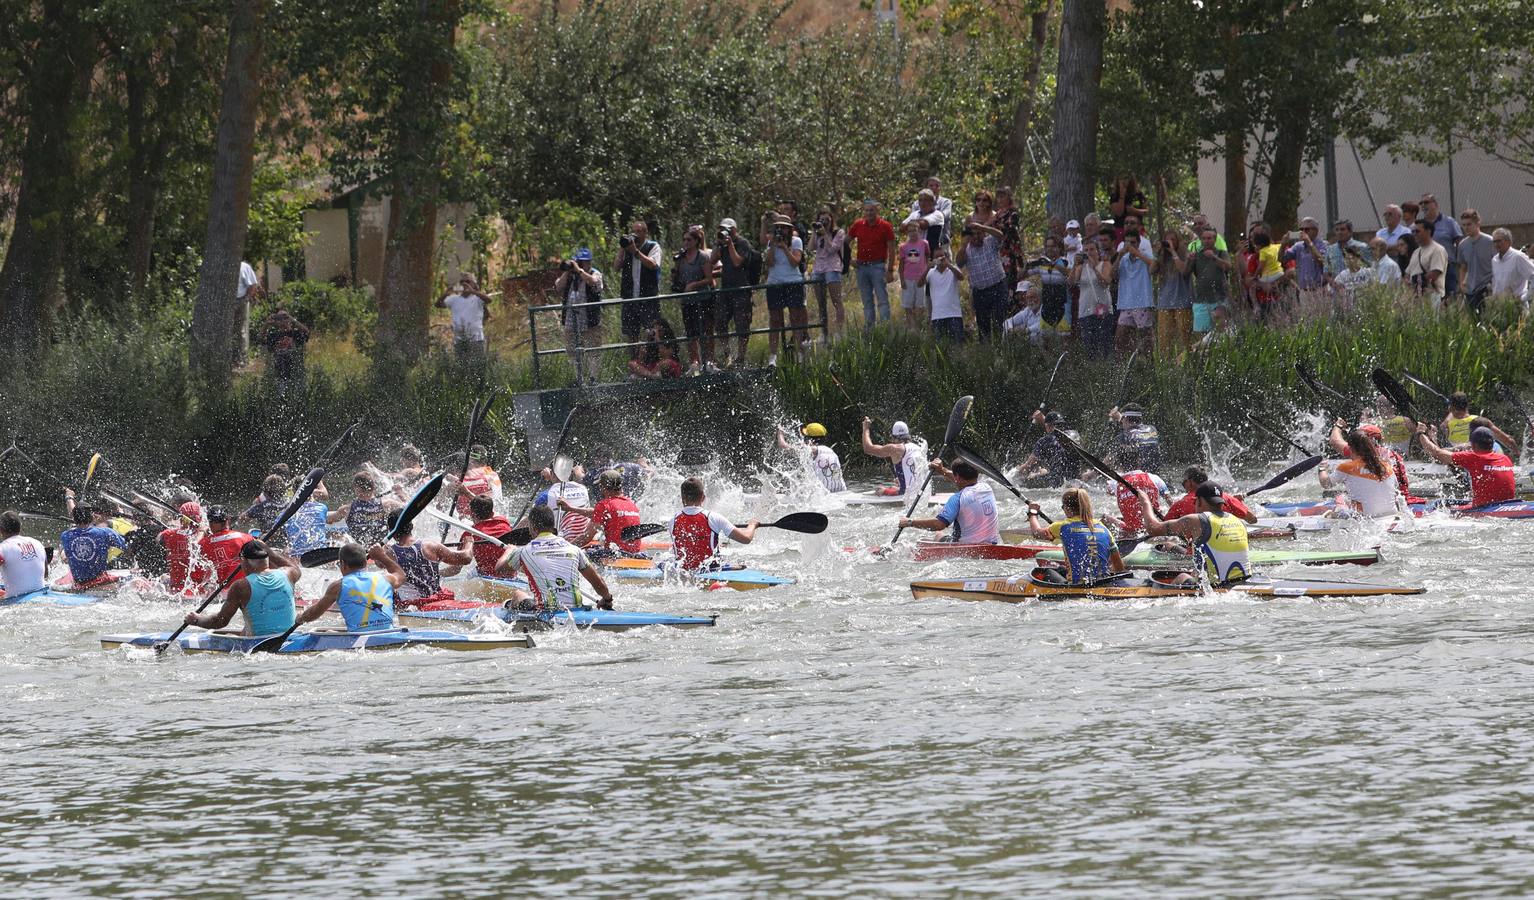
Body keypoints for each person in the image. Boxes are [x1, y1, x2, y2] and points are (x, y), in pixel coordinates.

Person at [494, 504, 616, 610]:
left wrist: (509, 550)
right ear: (553, 527)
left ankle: (509, 610)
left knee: (518, 594)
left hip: (545, 611)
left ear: (533, 528)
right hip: (575, 609)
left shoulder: (523, 551)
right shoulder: (574, 549)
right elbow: (599, 583)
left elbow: (499, 569)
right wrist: (607, 599)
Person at [181, 540, 302, 636]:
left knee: (242, 631)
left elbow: (220, 621)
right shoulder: (289, 574)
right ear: (268, 559)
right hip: (290, 636)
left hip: (258, 643)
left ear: (244, 561)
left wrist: (196, 620)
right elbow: (292, 565)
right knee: (246, 629)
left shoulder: (241, 586)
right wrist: (267, 549)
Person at [1138, 482, 1250, 584]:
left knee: (1182, 576)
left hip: (1216, 587)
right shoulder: (1238, 521)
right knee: (1193, 572)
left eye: (1195, 501)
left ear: (1199, 501)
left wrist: (1145, 502)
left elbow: (1153, 528)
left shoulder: (1196, 520)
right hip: (1242, 581)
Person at [292, 543, 406, 633]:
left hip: (358, 639)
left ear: (342, 563)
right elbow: (401, 575)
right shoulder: (385, 578)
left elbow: (314, 613)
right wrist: (382, 556)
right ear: (365, 562)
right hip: (388, 633)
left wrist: (301, 618)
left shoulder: (337, 586)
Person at [1025, 487, 1125, 584]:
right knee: (1061, 569)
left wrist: (1032, 513)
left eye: (1063, 507)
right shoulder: (1104, 528)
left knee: (1046, 571)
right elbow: (1119, 568)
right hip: (1103, 583)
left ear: (1067, 508)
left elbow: (1037, 533)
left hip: (1077, 585)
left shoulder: (1063, 526)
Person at [897, 459, 999, 545]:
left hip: (965, 548)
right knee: (943, 534)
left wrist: (910, 522)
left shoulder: (957, 498)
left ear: (957, 477)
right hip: (992, 544)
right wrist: (941, 470)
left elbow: (939, 524)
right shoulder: (986, 488)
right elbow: (960, 479)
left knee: (937, 534)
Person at [1416, 424, 1517, 508]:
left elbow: (1437, 453)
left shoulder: (1473, 457)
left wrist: (1421, 433)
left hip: (1485, 507)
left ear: (1473, 445)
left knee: (1441, 505)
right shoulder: (1505, 458)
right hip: (1510, 504)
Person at [671, 477, 759, 570]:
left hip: (682, 572)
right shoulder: (713, 517)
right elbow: (746, 538)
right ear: (703, 498)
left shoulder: (673, 521)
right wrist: (752, 525)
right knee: (742, 566)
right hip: (711, 571)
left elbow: (691, 543)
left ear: (682, 498)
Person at [388, 512, 472, 607]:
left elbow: (377, 564)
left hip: (409, 608)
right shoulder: (430, 546)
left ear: (391, 531)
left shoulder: (388, 553)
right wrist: (469, 543)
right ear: (411, 526)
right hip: (436, 602)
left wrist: (377, 551)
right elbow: (466, 558)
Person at [1318, 427, 1401, 517]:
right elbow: (1396, 492)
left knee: (1341, 498)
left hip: (1366, 518)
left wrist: (1322, 468)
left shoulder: (1347, 467)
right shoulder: (1387, 466)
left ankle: (1334, 514)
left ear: (1351, 448)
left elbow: (1326, 484)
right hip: (1392, 514)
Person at [562, 468, 645, 557]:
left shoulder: (604, 505)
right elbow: (596, 513)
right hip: (634, 554)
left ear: (603, 487)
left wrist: (565, 549)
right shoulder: (631, 504)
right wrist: (571, 509)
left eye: (600, 486)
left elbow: (586, 538)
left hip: (615, 555)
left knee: (585, 551)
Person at [1105, 443, 1168, 554]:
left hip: (1132, 532)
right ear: (1139, 460)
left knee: (1105, 517)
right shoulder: (1155, 478)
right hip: (1156, 527)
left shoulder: (1115, 484)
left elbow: (1109, 491)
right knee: (1162, 510)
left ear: (1120, 465)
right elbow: (1171, 502)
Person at [553, 248, 604, 384]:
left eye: (583, 262)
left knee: (593, 350)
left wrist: (579, 271)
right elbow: (558, 287)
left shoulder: (595, 273)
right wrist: (567, 271)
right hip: (571, 320)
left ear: (589, 262)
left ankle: (593, 379)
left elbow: (594, 283)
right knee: (572, 351)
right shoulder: (570, 276)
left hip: (590, 320)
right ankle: (578, 379)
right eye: (578, 262)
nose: (580, 264)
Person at [762, 214, 807, 367]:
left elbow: (795, 262)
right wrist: (773, 246)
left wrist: (785, 248)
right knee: (775, 320)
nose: (780, 230)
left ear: (789, 229)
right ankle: (773, 356)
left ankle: (799, 352)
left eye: (783, 227)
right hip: (774, 284)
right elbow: (769, 263)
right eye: (778, 227)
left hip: (793, 283)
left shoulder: (796, 241)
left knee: (795, 318)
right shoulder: (771, 242)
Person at [614, 221, 663, 359]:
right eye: (634, 231)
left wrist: (636, 251)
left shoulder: (653, 246)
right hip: (630, 298)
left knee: (652, 332)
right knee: (631, 334)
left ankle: (654, 362)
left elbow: (653, 264)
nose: (636, 234)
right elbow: (616, 267)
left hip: (648, 298)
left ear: (645, 232)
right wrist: (623, 247)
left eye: (639, 231)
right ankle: (635, 363)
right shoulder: (627, 250)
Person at [671, 226, 716, 375]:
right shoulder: (681, 258)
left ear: (696, 241)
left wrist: (694, 285)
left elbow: (709, 279)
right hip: (687, 301)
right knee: (691, 333)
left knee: (707, 330)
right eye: (684, 240)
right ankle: (694, 363)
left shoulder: (703, 257)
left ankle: (709, 361)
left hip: (703, 299)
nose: (686, 242)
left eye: (689, 240)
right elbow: (676, 279)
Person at [711, 218, 756, 368]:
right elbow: (712, 260)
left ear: (734, 230)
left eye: (728, 230)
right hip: (726, 290)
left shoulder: (743, 243)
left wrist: (730, 244)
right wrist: (718, 244)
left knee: (742, 325)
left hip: (741, 290)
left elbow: (737, 262)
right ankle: (727, 356)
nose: (725, 233)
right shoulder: (722, 244)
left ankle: (741, 358)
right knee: (720, 322)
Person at [954, 219, 1009, 340]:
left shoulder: (990, 241)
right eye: (973, 234)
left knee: (1000, 320)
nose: (976, 237)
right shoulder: (966, 250)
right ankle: (986, 349)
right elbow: (959, 262)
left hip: (998, 287)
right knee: (983, 326)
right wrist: (963, 245)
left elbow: (1000, 235)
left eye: (979, 233)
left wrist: (982, 227)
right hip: (980, 292)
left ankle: (1002, 346)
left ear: (983, 233)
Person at [847, 200, 897, 327]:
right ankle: (870, 329)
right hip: (861, 267)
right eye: (867, 210)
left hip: (878, 266)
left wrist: (890, 270)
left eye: (872, 210)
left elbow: (892, 249)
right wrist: (849, 260)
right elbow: (844, 243)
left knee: (882, 299)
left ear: (877, 211)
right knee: (867, 300)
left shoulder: (885, 226)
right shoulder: (858, 224)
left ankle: (885, 328)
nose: (869, 213)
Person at [58, 503, 127, 590]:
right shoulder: (105, 533)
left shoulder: (65, 535)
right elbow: (126, 546)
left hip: (78, 583)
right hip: (100, 582)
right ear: (92, 517)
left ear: (74, 519)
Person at [861, 417, 928, 502]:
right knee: (894, 486)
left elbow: (868, 449)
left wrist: (866, 428)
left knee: (880, 489)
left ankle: (885, 491)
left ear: (893, 438)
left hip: (906, 495)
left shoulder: (894, 448)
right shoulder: (918, 448)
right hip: (921, 493)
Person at [1073, 231, 1115, 358]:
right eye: (1086, 250)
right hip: (1085, 311)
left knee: (1105, 345)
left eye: (1091, 249)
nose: (1089, 252)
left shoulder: (1105, 264)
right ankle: (1093, 369)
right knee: (1090, 348)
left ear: (1098, 251)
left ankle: (1107, 367)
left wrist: (1094, 267)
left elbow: (1106, 282)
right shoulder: (1081, 268)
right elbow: (1072, 282)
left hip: (1103, 310)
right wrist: (1075, 265)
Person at [1164, 467, 1258, 523]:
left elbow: (1162, 529)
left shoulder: (1180, 504)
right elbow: (1253, 520)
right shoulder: (1227, 498)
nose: (1183, 484)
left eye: (1184, 481)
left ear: (1190, 482)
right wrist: (1240, 502)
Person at [159, 501, 213, 595]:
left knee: (163, 577)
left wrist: (174, 529)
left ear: (181, 518)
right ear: (199, 518)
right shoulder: (207, 537)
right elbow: (195, 543)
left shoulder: (168, 534)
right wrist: (203, 530)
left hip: (175, 589)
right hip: (198, 591)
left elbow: (158, 538)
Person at [1015, 411, 1079, 487]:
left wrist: (1016, 471)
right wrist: (1043, 418)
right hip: (1075, 479)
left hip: (1056, 482)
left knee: (1031, 476)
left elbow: (1029, 464)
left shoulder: (1043, 442)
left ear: (1047, 426)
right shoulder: (1074, 435)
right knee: (1043, 470)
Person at [776, 424, 847, 494]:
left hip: (825, 494)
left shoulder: (813, 450)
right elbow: (835, 476)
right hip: (842, 491)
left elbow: (783, 446)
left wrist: (780, 433)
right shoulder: (832, 453)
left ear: (810, 439)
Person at [327, 472, 393, 546]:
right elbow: (403, 512)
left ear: (356, 488)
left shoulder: (347, 509)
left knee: (340, 538)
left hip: (358, 550)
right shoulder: (387, 504)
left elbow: (329, 519)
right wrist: (400, 493)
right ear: (373, 487)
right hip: (381, 548)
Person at [808, 207, 847, 334]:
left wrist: (825, 235)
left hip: (832, 267)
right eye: (821, 220)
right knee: (821, 302)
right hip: (818, 268)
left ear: (831, 220)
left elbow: (832, 250)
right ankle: (824, 333)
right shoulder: (817, 233)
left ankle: (839, 332)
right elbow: (810, 248)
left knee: (836, 300)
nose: (824, 222)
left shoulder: (838, 233)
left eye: (826, 219)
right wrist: (815, 232)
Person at [1189, 226, 1232, 339]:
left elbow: (1228, 267)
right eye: (1203, 238)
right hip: (1201, 301)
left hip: (1219, 300)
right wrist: (1189, 260)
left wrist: (1214, 257)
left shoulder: (1221, 253)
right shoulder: (1196, 255)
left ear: (1215, 239)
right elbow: (1185, 272)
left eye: (1209, 238)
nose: (1206, 241)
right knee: (1202, 336)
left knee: (1222, 334)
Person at [1153, 229, 1192, 353]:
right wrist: (1157, 253)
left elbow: (1183, 270)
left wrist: (1173, 252)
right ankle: (1166, 363)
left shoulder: (1184, 254)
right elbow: (1151, 270)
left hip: (1182, 303)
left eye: (1172, 240)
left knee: (1184, 340)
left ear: (1178, 241)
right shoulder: (1162, 258)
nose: (1169, 242)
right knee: (1164, 341)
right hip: (1165, 303)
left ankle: (1186, 361)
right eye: (1167, 240)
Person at [436, 275, 492, 360]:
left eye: (468, 281)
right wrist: (445, 294)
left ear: (474, 284)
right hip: (459, 340)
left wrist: (473, 291)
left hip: (476, 340)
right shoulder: (453, 299)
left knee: (477, 365)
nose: (464, 284)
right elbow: (438, 305)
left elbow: (489, 300)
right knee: (461, 365)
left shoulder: (477, 298)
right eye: (461, 282)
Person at [1420, 193, 1464, 292]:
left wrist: (1460, 264)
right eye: (1421, 203)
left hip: (1447, 268)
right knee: (1429, 298)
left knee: (1450, 297)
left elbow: (1460, 243)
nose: (1423, 205)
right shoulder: (1419, 225)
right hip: (1426, 269)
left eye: (1426, 202)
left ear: (1435, 204)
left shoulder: (1449, 222)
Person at [198, 506, 253, 583]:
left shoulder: (203, 543)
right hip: (246, 585)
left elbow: (194, 551)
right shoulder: (246, 538)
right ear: (228, 520)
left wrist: (202, 531)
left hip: (221, 588)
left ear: (210, 523)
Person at [258, 309, 309, 390]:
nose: (282, 320)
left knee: (298, 393)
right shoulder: (273, 336)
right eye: (279, 318)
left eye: (285, 317)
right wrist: (266, 324)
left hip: (296, 372)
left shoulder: (295, 333)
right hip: (280, 374)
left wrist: (293, 320)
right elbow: (261, 339)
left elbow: (306, 332)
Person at [921, 247, 966, 341]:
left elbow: (961, 277)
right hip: (937, 316)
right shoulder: (931, 273)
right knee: (941, 346)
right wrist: (928, 268)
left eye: (941, 256)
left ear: (946, 257)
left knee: (957, 345)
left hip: (954, 314)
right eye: (936, 257)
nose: (939, 259)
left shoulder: (952, 269)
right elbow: (919, 284)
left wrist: (949, 265)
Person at [0, 511, 47, 599]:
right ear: (19, 527)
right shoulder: (37, 543)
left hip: (17, 601)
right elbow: (45, 575)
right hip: (41, 594)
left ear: (1, 530)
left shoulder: (2, 548)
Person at [463, 495, 513, 577]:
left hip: (487, 576)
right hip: (510, 575)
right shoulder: (504, 522)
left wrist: (439, 573)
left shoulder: (469, 534)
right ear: (492, 513)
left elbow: (455, 569)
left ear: (471, 514)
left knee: (469, 575)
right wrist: (466, 493)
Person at [1031, 236, 1071, 336]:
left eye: (1053, 246)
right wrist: (1028, 265)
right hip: (1046, 307)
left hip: (1062, 307)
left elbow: (1071, 274)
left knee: (1064, 340)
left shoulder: (1065, 261)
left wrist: (1053, 264)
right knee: (1046, 340)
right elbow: (1022, 275)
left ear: (1059, 248)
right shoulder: (1042, 263)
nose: (1050, 249)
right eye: (1047, 246)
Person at [1283, 217, 1329, 304]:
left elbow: (1322, 262)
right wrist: (1283, 245)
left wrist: (1309, 243)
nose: (1303, 232)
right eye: (1301, 230)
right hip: (1304, 291)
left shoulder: (1323, 244)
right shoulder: (1298, 246)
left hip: (1320, 290)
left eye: (1307, 229)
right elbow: (1282, 259)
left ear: (1316, 231)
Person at [1105, 405, 1162, 474]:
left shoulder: (1123, 437)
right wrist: (1120, 417)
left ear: (1125, 419)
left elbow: (1108, 461)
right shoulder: (1152, 429)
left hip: (1135, 478)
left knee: (1121, 451)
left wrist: (1092, 475)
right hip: (1154, 477)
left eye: (1122, 419)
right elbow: (1133, 430)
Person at [450, 445, 502, 519]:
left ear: (470, 460)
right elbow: (498, 500)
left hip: (465, 518)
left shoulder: (457, 477)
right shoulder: (492, 475)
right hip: (483, 517)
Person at [896, 220, 930, 329]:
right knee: (908, 304)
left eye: (915, 230)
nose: (913, 233)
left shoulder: (924, 243)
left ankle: (918, 326)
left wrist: (926, 273)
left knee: (920, 304)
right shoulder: (903, 246)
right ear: (907, 233)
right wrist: (902, 280)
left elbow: (927, 257)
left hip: (920, 278)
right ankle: (910, 326)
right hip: (908, 278)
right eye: (910, 231)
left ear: (919, 231)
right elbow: (901, 265)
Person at [1405, 221, 1448, 305]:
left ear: (1428, 232)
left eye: (1417, 231)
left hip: (1432, 295)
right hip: (1416, 296)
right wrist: (1408, 283)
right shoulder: (1416, 252)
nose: (1414, 234)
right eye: (1413, 232)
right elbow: (1408, 273)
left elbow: (1435, 273)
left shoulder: (1437, 249)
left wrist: (1416, 280)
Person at [1491, 227, 1534, 308]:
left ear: (1508, 241)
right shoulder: (1495, 260)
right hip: (1500, 307)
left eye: (1499, 241)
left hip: (1517, 306)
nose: (1496, 244)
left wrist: (1524, 297)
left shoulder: (1518, 257)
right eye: (1494, 242)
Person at [910, 177, 954, 247]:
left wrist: (923, 221)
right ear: (926, 188)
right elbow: (911, 222)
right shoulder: (916, 204)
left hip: (941, 244)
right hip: (919, 244)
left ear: (940, 188)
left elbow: (943, 216)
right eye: (931, 185)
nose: (934, 188)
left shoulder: (946, 202)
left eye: (937, 186)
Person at [235, 259, 263, 366]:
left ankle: (243, 358)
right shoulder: (223, 266)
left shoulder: (244, 267)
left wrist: (245, 299)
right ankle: (232, 356)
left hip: (241, 300)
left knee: (241, 330)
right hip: (228, 302)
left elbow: (253, 285)